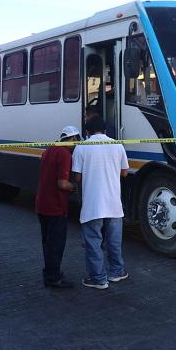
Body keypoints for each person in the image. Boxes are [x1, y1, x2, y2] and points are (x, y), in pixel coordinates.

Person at [72, 115, 129, 289]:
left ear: (87, 131)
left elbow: (77, 177)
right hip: (113, 204)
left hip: (93, 205)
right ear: (105, 129)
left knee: (93, 242)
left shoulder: (82, 147)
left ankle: (98, 279)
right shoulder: (117, 145)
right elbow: (125, 173)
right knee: (114, 241)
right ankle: (116, 272)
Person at [34, 125, 81, 289]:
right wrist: (74, 187)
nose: (76, 145)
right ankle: (53, 278)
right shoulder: (65, 154)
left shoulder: (50, 149)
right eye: (77, 141)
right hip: (56, 207)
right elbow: (62, 183)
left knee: (47, 242)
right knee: (56, 244)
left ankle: (49, 273)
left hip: (42, 204)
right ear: (72, 139)